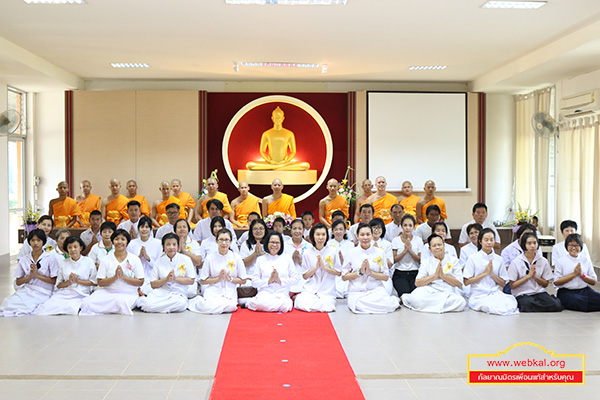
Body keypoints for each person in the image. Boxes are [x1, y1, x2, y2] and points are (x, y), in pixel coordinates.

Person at [80, 229, 145, 316]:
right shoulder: (106, 259)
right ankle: (109, 308)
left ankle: (106, 308)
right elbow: (100, 282)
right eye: (117, 239)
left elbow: (140, 281)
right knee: (87, 303)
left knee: (121, 301)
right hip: (107, 291)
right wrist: (114, 277)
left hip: (127, 292)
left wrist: (123, 277)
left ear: (127, 242)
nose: (119, 242)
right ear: (113, 241)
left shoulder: (134, 259)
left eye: (123, 239)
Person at [342, 224, 399, 314]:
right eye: (362, 235)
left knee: (387, 304)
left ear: (372, 236)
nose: (365, 238)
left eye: (368, 234)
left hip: (376, 289)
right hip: (357, 291)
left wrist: (370, 273)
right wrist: (359, 272)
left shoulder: (380, 252)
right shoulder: (351, 252)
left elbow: (386, 277)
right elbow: (344, 277)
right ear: (357, 236)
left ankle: (392, 301)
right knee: (358, 305)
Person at [401, 234, 466, 313]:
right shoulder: (426, 262)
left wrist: (443, 276)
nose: (437, 247)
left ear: (444, 246)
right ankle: (439, 306)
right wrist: (435, 275)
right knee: (416, 298)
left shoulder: (453, 261)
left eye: (439, 245)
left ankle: (430, 306)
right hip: (430, 290)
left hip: (447, 291)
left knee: (460, 302)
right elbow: (417, 283)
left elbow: (459, 283)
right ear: (430, 249)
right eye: (434, 245)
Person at [0, 229, 58, 316]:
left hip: (44, 291)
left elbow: (54, 281)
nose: (35, 243)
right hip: (28, 289)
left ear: (43, 242)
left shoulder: (50, 258)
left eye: (38, 240)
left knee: (27, 305)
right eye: (33, 240)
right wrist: (30, 277)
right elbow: (18, 282)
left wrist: (37, 275)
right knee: (8, 303)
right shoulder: (24, 259)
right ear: (29, 242)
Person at [188, 229, 247, 314]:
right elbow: (203, 280)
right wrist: (218, 278)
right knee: (209, 305)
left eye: (227, 240)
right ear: (216, 241)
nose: (224, 243)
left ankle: (213, 308)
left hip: (229, 293)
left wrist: (229, 278)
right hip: (213, 291)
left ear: (231, 241)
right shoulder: (210, 257)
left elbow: (243, 280)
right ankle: (198, 303)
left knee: (231, 306)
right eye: (221, 240)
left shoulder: (236, 257)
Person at [35, 237, 97, 315]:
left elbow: (94, 282)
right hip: (66, 292)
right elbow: (59, 284)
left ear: (80, 248)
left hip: (81, 293)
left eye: (75, 247)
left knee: (72, 307)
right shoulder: (63, 263)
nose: (73, 250)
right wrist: (69, 282)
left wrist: (78, 281)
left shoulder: (89, 261)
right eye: (70, 247)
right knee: (48, 307)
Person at [463, 228, 519, 316]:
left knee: (511, 303)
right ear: (480, 241)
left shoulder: (499, 259)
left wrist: (492, 274)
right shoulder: (473, 258)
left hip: (495, 293)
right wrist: (485, 273)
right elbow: (466, 282)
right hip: (478, 295)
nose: (489, 242)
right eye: (486, 240)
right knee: (492, 307)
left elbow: (504, 283)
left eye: (491, 240)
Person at [138, 233, 196, 313]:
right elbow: (153, 284)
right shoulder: (159, 261)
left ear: (178, 246)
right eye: (168, 244)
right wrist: (166, 279)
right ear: (163, 247)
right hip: (161, 292)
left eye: (174, 244)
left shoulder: (186, 259)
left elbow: (191, 280)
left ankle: (159, 308)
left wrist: (175, 279)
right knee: (146, 305)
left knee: (181, 304)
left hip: (178, 293)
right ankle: (165, 308)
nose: (171, 247)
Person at [507, 233, 563, 312]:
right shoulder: (516, 262)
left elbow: (545, 284)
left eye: (534, 243)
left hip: (539, 292)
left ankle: (539, 304)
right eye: (529, 243)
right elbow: (512, 285)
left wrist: (535, 277)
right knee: (526, 304)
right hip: (522, 293)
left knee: (556, 305)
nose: (532, 246)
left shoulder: (543, 260)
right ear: (524, 245)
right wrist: (528, 276)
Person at [247, 231, 299, 312]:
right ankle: (269, 306)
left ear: (281, 244)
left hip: (281, 294)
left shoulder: (287, 258)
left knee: (286, 306)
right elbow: (254, 282)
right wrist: (268, 281)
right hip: (265, 294)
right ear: (267, 243)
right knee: (259, 303)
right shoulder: (261, 259)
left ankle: (251, 303)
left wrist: (280, 281)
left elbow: (296, 279)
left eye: (277, 243)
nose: (274, 245)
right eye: (272, 242)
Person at [294, 223, 341, 312]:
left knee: (327, 305)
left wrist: (325, 268)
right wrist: (316, 268)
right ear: (313, 236)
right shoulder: (307, 252)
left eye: (323, 234)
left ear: (327, 236)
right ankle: (315, 306)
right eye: (318, 234)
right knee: (300, 300)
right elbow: (305, 276)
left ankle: (314, 306)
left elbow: (339, 272)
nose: (320, 237)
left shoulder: (333, 251)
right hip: (311, 289)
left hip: (327, 291)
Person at [246, 106, 310, 171]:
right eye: (276, 118)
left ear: (283, 118)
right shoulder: (266, 133)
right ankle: (280, 167)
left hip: (285, 162)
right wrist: (269, 161)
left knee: (305, 165)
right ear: (272, 118)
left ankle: (276, 167)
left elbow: (293, 152)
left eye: (279, 118)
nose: (278, 119)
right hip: (270, 162)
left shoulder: (289, 133)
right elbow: (262, 151)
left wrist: (287, 160)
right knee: (250, 165)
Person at [553, 233, 600, 312]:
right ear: (566, 246)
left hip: (584, 290)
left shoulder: (585, 260)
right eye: (571, 245)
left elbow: (593, 281)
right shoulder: (561, 261)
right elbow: (556, 282)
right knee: (579, 301)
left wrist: (582, 275)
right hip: (566, 291)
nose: (574, 248)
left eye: (577, 245)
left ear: (581, 247)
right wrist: (574, 274)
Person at [127, 216, 162, 295]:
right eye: (142, 227)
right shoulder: (132, 243)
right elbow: (128, 264)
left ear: (150, 229)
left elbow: (159, 264)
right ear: (138, 228)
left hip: (152, 277)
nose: (144, 229)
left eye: (147, 227)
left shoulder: (158, 243)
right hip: (135, 277)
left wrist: (147, 258)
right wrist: (139, 257)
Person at [391, 214, 423, 297]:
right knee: (405, 294)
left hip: (415, 272)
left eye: (410, 225)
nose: (407, 228)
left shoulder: (418, 240)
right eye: (405, 225)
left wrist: (410, 251)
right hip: (400, 273)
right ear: (401, 226)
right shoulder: (396, 240)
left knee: (415, 295)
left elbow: (420, 260)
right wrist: (405, 251)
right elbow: (393, 260)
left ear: (414, 227)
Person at [284, 219, 312, 294]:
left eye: (300, 228)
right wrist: (291, 260)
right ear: (291, 230)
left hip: (304, 278)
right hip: (288, 277)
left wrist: (301, 261)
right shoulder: (284, 245)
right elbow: (280, 265)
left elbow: (312, 266)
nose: (297, 231)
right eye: (294, 228)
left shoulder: (309, 246)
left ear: (303, 230)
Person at [328, 219, 354, 298]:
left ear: (345, 231)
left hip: (346, 273)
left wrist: (343, 261)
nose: (338, 232)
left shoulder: (350, 245)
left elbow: (352, 262)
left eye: (341, 229)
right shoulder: (328, 244)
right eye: (336, 229)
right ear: (332, 231)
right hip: (333, 273)